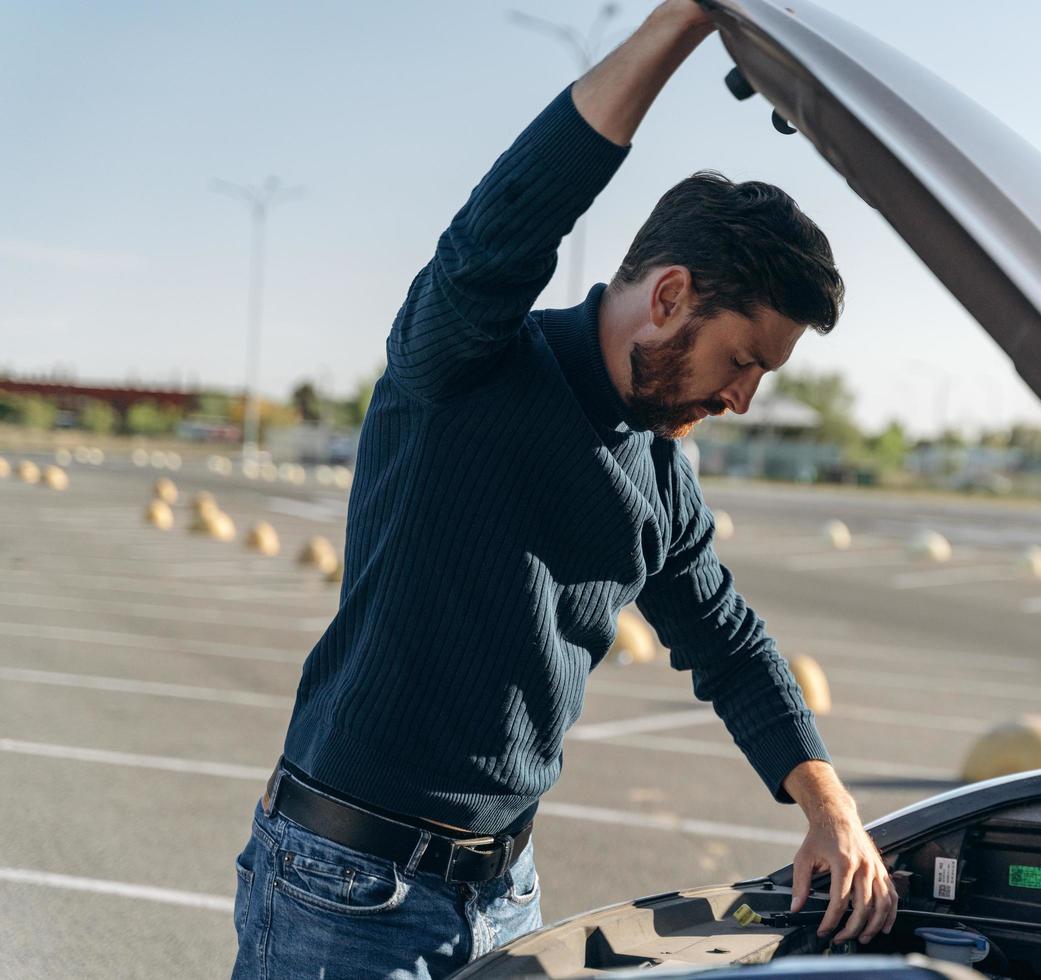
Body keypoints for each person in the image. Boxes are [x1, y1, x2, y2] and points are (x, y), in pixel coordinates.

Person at [230, 3, 896, 977]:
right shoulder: (465, 363)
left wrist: (833, 810)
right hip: (348, 886)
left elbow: (732, 643)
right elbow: (511, 215)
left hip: (505, 889)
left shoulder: (662, 470)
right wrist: (685, 20)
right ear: (669, 296)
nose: (745, 398)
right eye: (743, 358)